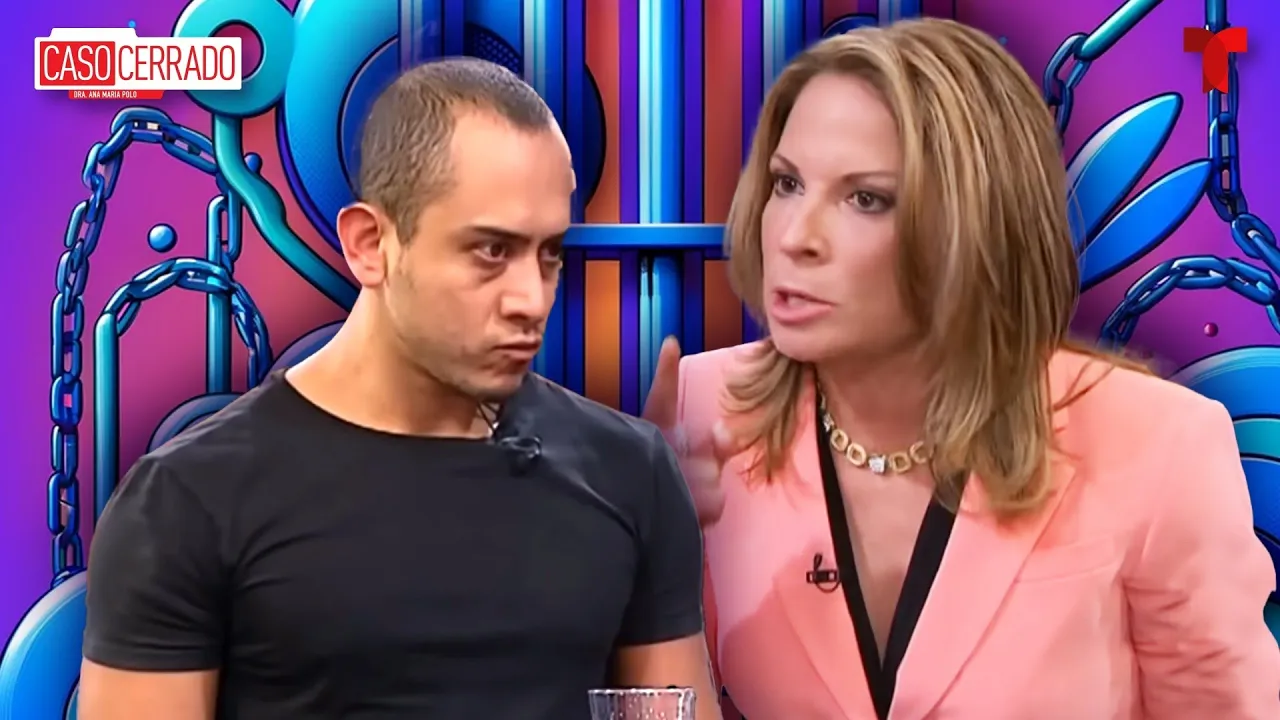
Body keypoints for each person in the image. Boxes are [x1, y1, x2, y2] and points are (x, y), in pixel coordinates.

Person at [642, 18, 1280, 720]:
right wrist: (643, 551)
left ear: (974, 223)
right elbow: (653, 693)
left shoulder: (1157, 440)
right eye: (787, 184)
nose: (795, 237)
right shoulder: (704, 409)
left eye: (866, 199)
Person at [79, 57, 721, 720]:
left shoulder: (629, 471)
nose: (532, 299)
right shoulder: (187, 501)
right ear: (369, 244)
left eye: (549, 254)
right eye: (491, 252)